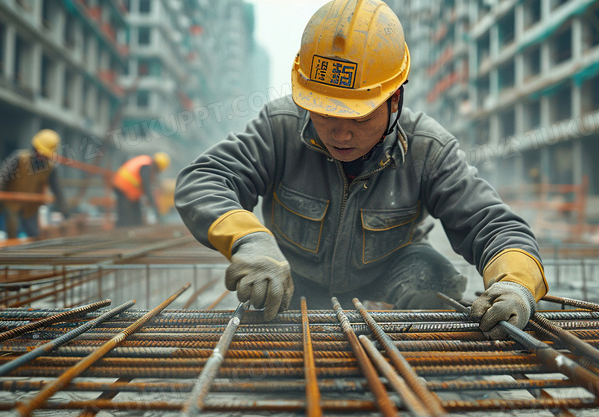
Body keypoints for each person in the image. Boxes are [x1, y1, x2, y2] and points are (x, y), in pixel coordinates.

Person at [174, 0, 548, 340]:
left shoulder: (427, 149)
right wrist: (249, 241)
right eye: (324, 112)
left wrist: (515, 285)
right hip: (294, 284)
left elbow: (492, 224)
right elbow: (204, 179)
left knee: (432, 274)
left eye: (359, 116)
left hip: (389, 283)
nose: (340, 132)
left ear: (395, 98)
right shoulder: (280, 127)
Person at [0, 129, 69, 239]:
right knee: (12, 232)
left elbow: (57, 190)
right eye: (39, 151)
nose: (41, 156)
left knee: (34, 234)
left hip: (31, 206)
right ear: (34, 148)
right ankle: (10, 254)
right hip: (11, 202)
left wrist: (64, 210)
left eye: (44, 154)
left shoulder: (50, 168)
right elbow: (2, 178)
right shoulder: (18, 158)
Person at [111, 152, 170, 227]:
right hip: (123, 186)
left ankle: (132, 229)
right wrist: (154, 205)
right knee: (125, 216)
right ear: (157, 165)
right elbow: (146, 186)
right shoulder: (146, 166)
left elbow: (143, 185)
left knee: (137, 216)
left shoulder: (146, 163)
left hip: (129, 190)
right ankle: (121, 231)